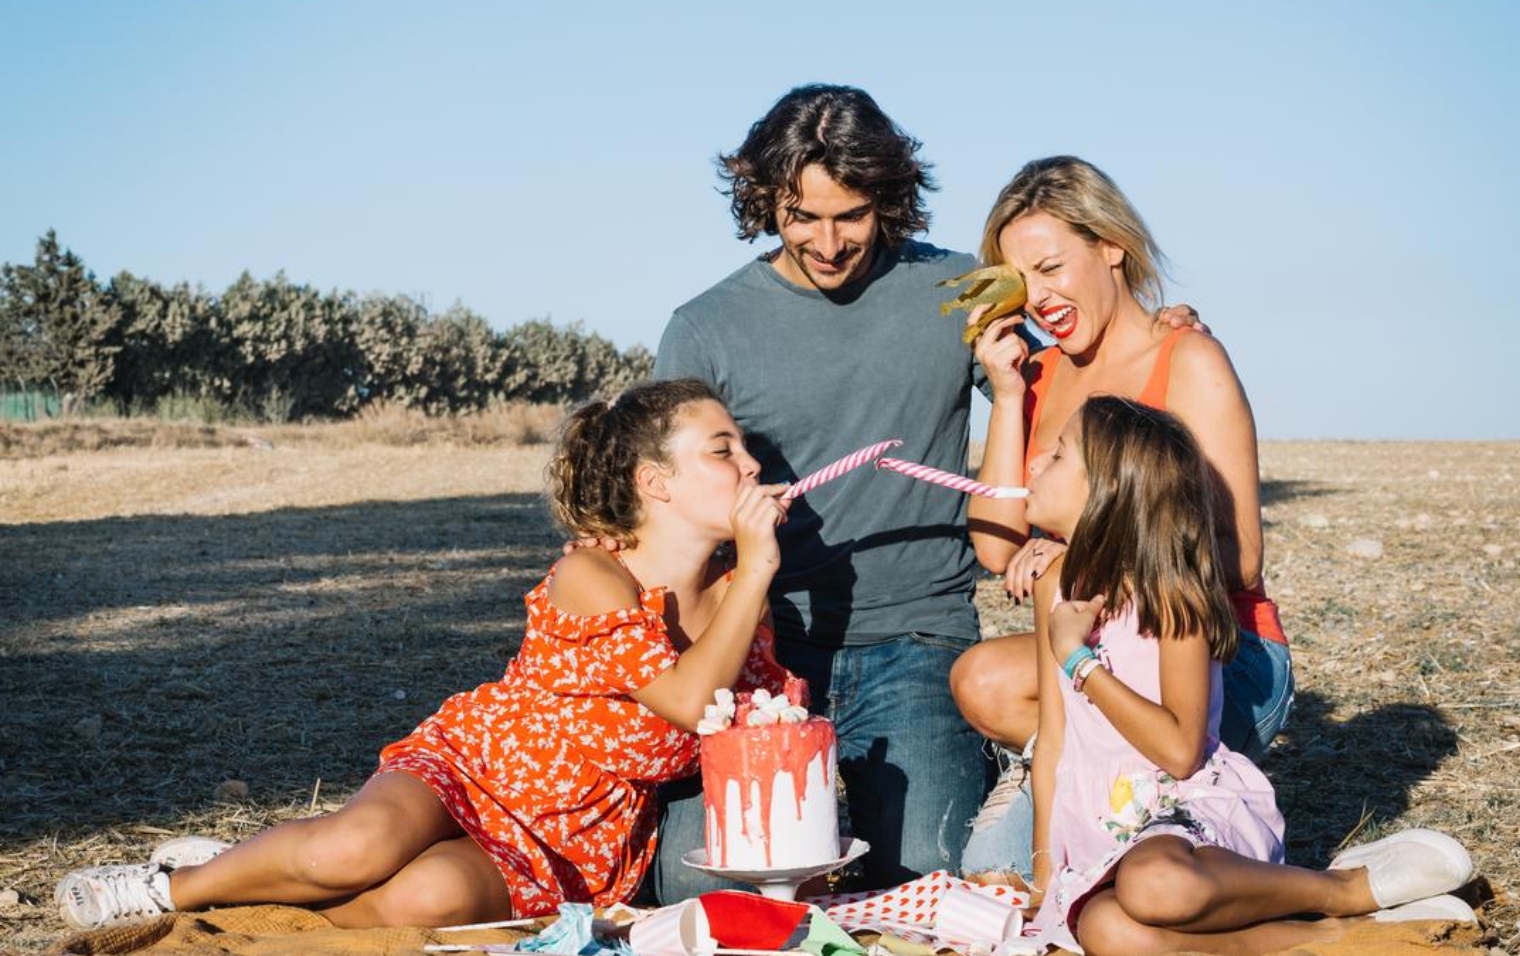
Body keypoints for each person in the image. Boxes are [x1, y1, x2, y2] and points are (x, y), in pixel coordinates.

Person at [55, 379, 796, 930]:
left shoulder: (739, 602)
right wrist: (760, 563)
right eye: (723, 449)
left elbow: (748, 728)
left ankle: (255, 883)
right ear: (654, 481)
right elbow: (689, 702)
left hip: (577, 840)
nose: (752, 465)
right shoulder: (592, 574)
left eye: (747, 448)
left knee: (425, 899)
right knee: (358, 846)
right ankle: (174, 885)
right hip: (481, 770)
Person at [647, 84, 991, 897]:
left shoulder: (959, 290)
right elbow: (664, 517)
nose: (829, 242)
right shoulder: (704, 328)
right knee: (709, 899)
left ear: (889, 198)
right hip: (760, 649)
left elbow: (1068, 401)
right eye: (803, 216)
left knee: (926, 893)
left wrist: (1159, 328)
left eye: (853, 215)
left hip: (920, 638)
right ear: (766, 199)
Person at [1022, 397, 1474, 955]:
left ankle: (1340, 890)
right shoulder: (1053, 587)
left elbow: (1181, 751)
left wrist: (1078, 661)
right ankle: (1329, 936)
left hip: (1182, 815)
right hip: (1098, 827)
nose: (1036, 463)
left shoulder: (1171, 596)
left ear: (1108, 491)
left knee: (1153, 884)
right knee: (1106, 931)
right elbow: (1053, 745)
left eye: (1060, 455)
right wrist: (1044, 878)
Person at [952, 156, 1295, 886]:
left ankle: (1189, 801)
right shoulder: (1038, 376)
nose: (1040, 298)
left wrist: (1079, 557)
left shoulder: (1189, 358)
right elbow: (993, 546)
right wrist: (1008, 397)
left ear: (1112, 246)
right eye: (1023, 282)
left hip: (1213, 647)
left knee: (1102, 875)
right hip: (1103, 645)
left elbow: (1238, 563)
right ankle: (1070, 761)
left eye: (1051, 267)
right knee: (981, 687)